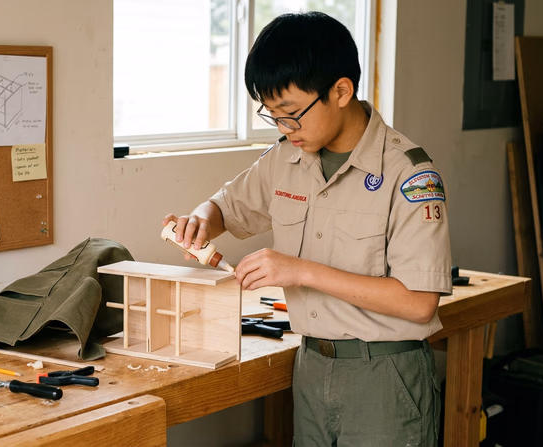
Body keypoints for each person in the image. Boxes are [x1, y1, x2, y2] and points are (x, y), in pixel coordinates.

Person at [163, 11, 450, 446]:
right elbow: (225, 206)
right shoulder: (287, 156)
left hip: (385, 378)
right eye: (272, 115)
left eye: (292, 113)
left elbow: (419, 303)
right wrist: (200, 221)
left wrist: (300, 271)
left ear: (340, 90)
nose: (283, 128)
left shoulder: (408, 174)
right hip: (312, 367)